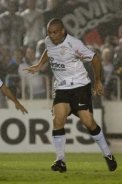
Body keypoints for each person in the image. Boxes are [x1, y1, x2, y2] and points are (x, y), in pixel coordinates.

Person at [24, 18, 117, 172]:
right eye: (49, 32)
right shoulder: (48, 41)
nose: (51, 35)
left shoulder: (74, 44)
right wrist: (40, 65)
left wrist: (98, 81)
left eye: (55, 32)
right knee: (58, 120)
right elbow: (48, 51)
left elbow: (94, 58)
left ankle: (108, 154)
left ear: (62, 31)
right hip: (61, 88)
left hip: (80, 87)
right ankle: (60, 160)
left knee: (89, 123)